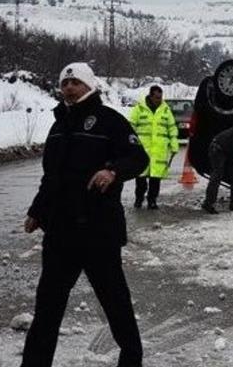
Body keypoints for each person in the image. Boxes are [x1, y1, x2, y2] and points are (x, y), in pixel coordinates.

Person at [22, 62, 148, 366]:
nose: (68, 88)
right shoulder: (57, 127)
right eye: (64, 84)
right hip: (60, 234)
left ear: (89, 85)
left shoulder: (110, 122)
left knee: (115, 304)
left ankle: (132, 359)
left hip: (98, 233)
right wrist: (37, 211)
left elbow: (138, 158)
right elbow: (51, 178)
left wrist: (112, 170)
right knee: (47, 309)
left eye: (75, 82)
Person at [127, 85, 179, 209]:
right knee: (141, 178)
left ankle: (152, 201)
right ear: (150, 96)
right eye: (156, 97)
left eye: (161, 97)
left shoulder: (166, 110)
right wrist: (130, 144)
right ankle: (139, 199)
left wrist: (174, 144)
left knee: (155, 179)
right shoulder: (139, 109)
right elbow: (131, 127)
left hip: (159, 151)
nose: (159, 100)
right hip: (143, 151)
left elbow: (172, 128)